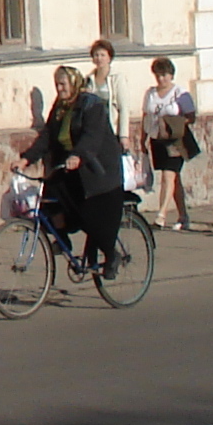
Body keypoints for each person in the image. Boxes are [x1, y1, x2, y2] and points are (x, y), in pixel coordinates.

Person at [19, 62, 128, 278]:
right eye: (57, 84)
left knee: (92, 217)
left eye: (63, 84)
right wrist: (26, 159)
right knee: (50, 202)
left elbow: (92, 137)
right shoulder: (60, 108)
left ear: (74, 83)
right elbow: (48, 136)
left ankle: (111, 255)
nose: (60, 89)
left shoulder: (91, 105)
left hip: (98, 170)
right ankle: (62, 239)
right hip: (70, 166)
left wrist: (79, 155)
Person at [140, 55, 199, 232]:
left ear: (171, 75)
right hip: (157, 139)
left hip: (175, 141)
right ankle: (183, 215)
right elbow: (146, 117)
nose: (161, 78)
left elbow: (191, 117)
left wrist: (174, 123)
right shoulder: (150, 94)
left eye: (164, 74)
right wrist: (142, 140)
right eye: (158, 75)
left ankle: (161, 215)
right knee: (173, 179)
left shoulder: (180, 94)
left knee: (169, 175)